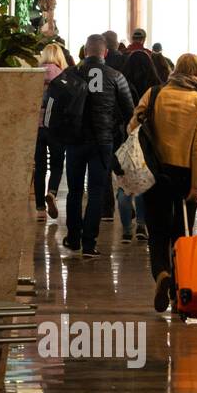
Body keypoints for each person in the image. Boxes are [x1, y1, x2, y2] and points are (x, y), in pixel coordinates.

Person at [129, 53, 197, 313]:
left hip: (155, 171)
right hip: (186, 174)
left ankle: (161, 274)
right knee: (182, 233)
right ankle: (179, 291)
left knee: (157, 230)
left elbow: (132, 126)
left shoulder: (154, 93)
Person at [63, 34, 134, 258]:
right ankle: (90, 243)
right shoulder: (116, 76)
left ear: (84, 51)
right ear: (105, 53)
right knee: (96, 192)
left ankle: (73, 239)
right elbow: (129, 111)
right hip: (103, 142)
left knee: (74, 191)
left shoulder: (70, 74)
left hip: (75, 141)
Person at [116, 50, 162, 242]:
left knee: (124, 185)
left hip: (123, 138)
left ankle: (127, 228)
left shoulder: (121, 82)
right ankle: (142, 224)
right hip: (147, 140)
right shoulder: (156, 88)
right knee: (144, 181)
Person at [34, 42, 70, 220]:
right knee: (56, 164)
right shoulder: (63, 75)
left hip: (37, 127)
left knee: (39, 167)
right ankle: (52, 193)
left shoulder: (34, 74)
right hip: (56, 127)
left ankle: (40, 209)